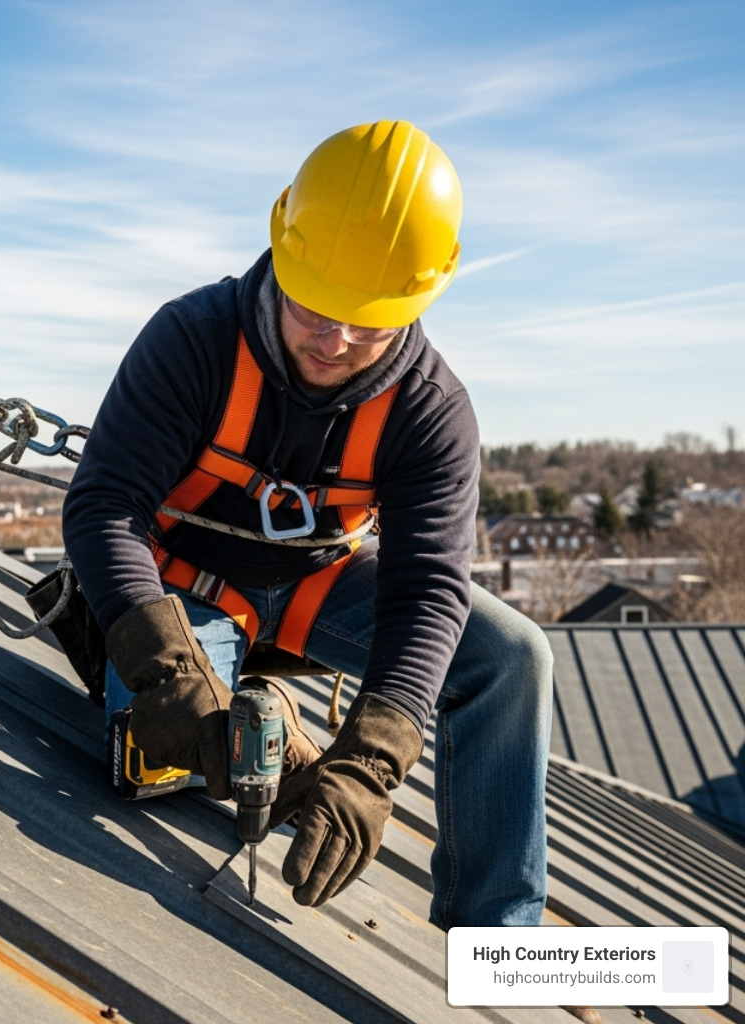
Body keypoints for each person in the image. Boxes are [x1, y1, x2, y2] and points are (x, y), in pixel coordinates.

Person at [61, 120, 552, 928]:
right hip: (180, 586)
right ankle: (266, 729)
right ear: (282, 246)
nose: (336, 340)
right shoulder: (194, 341)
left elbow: (429, 589)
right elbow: (105, 504)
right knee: (167, 761)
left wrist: (373, 762)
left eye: (369, 320)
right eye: (317, 308)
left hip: (313, 585)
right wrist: (165, 671)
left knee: (511, 656)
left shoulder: (431, 411)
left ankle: (495, 934)